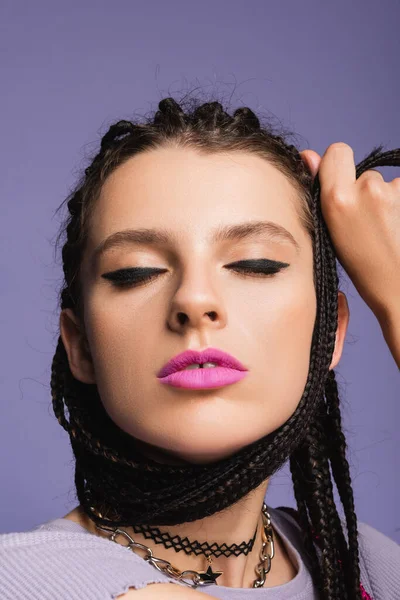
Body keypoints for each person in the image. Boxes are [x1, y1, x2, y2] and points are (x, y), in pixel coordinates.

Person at [1, 95, 399, 600]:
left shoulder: (366, 566)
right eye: (135, 272)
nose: (194, 300)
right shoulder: (27, 578)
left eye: (255, 264)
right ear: (79, 345)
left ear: (331, 333)